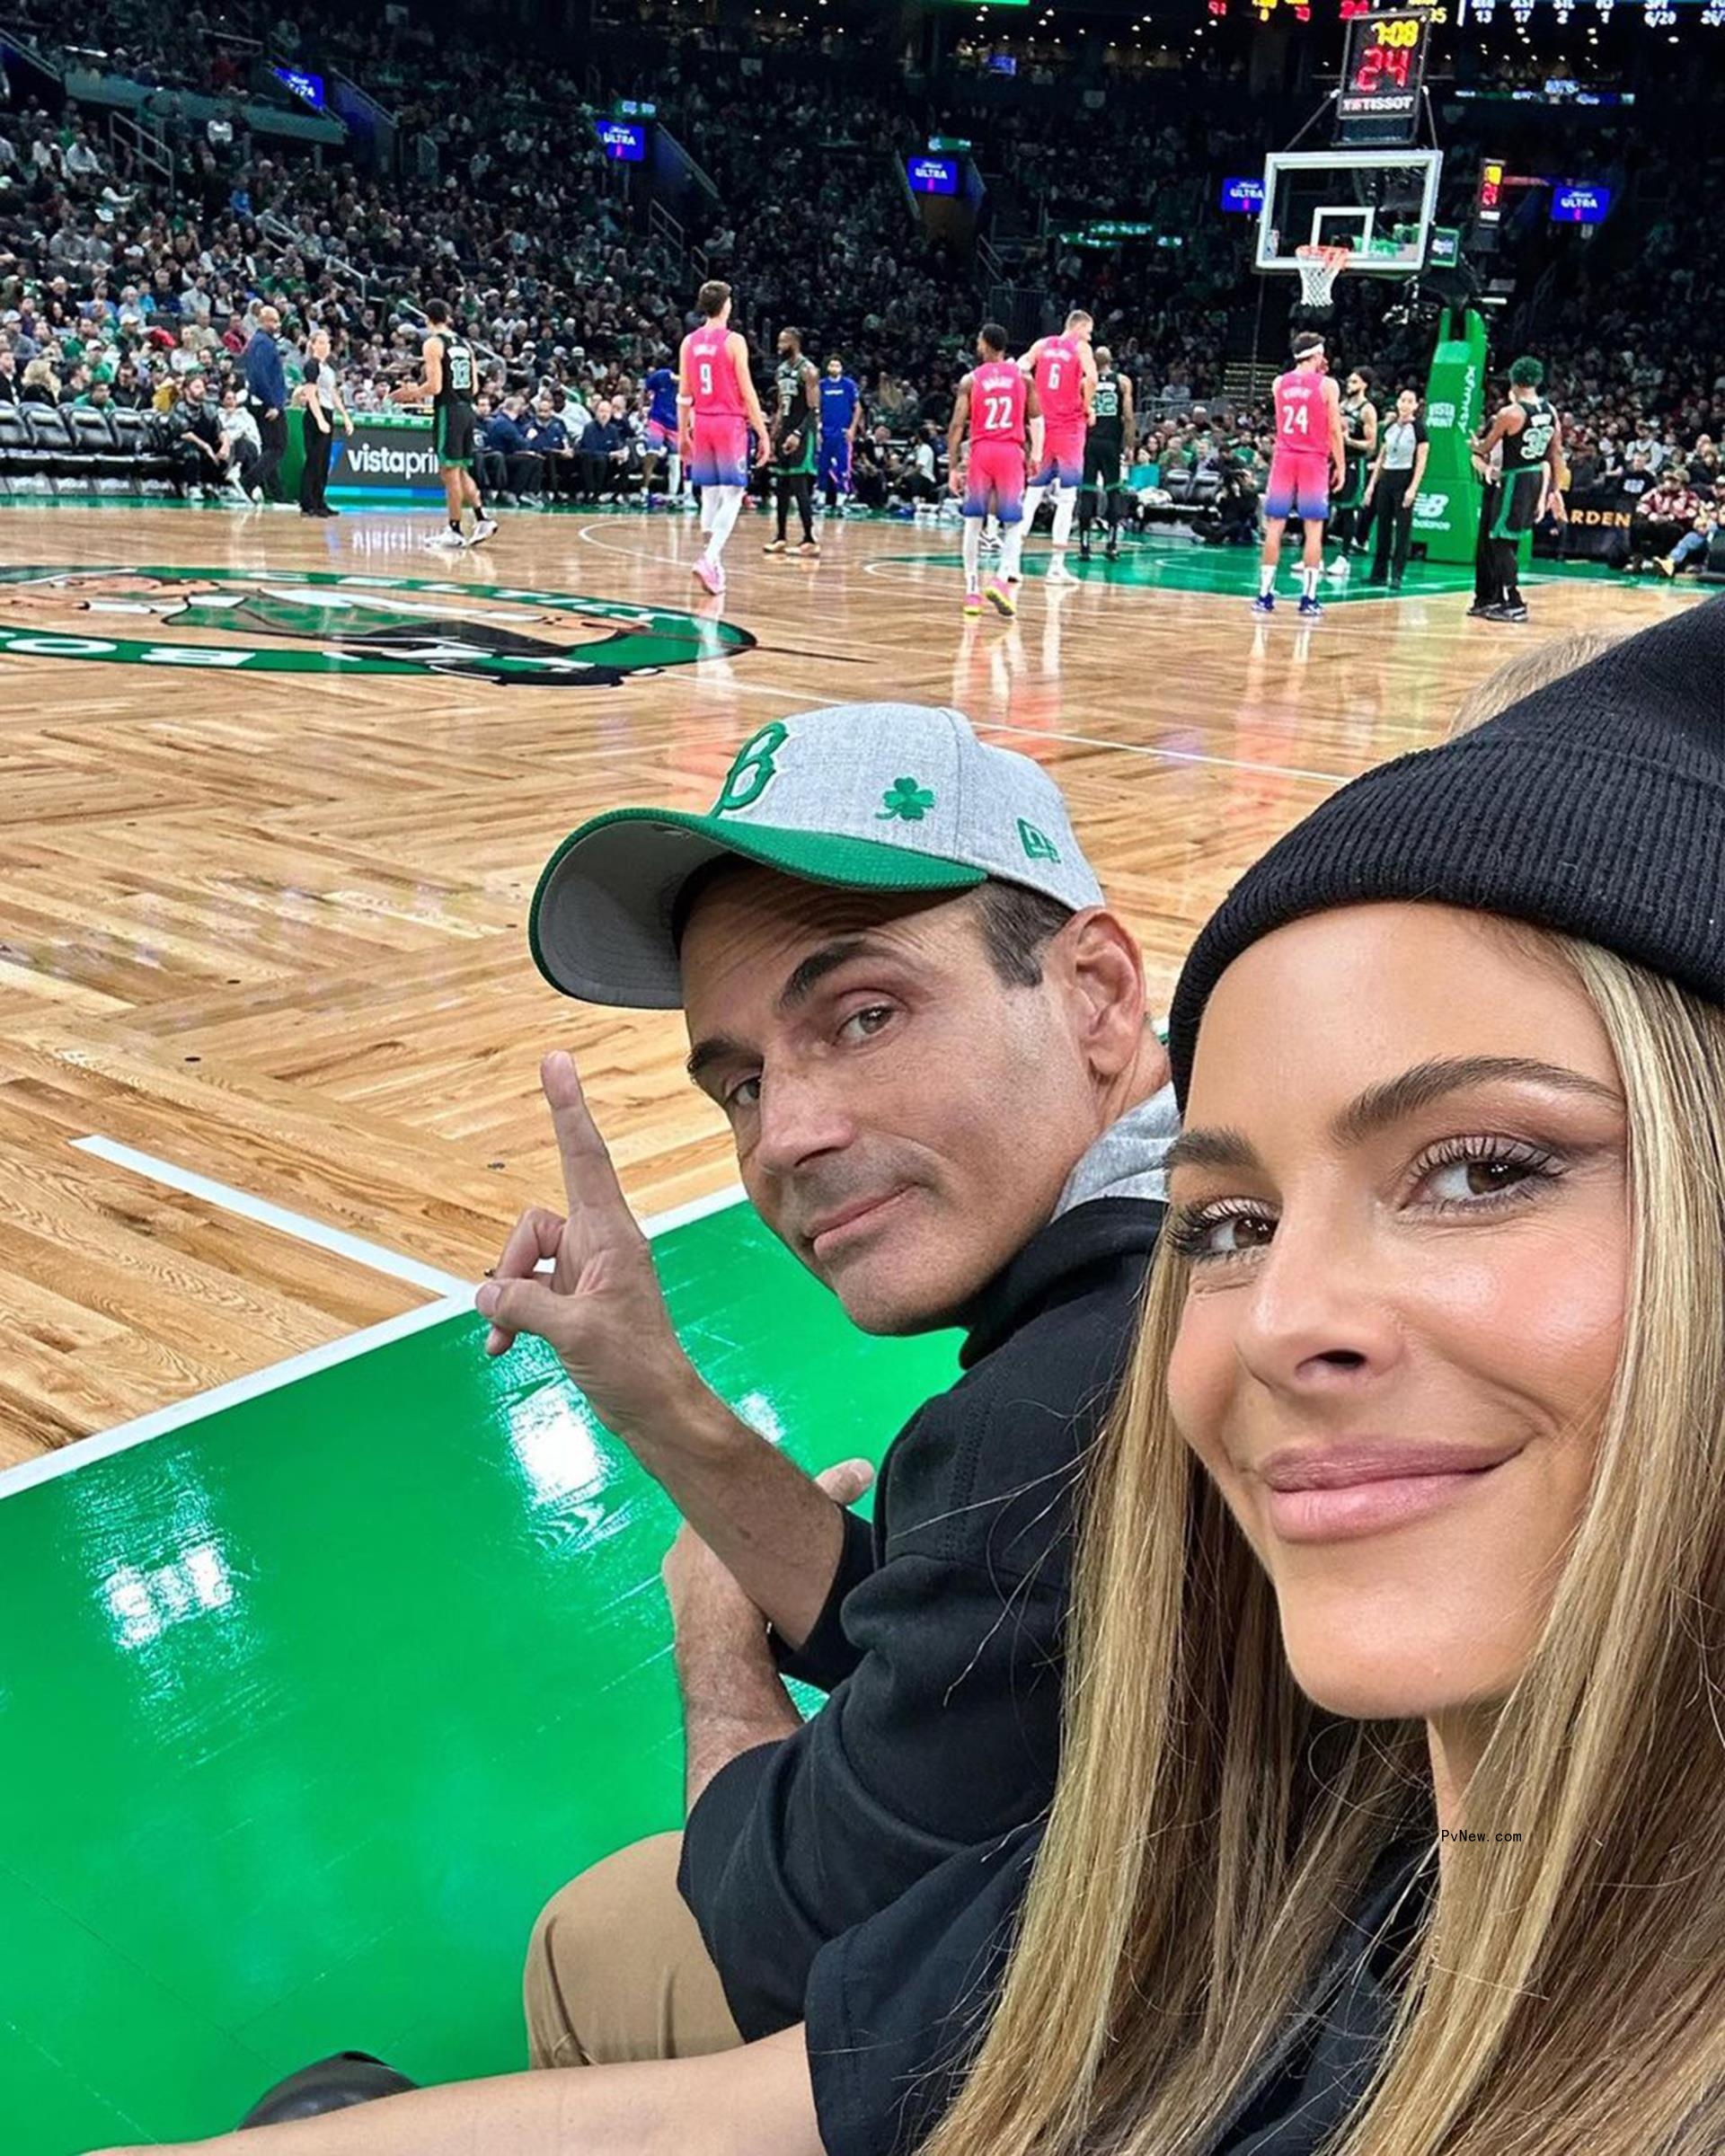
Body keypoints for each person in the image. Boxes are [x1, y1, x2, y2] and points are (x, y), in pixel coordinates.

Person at [100, 702, 1175, 2152]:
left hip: (1118, 2057)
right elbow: (941, 1648)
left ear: (1098, 992)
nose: (787, 1132)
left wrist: (719, 1660)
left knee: (581, 1946)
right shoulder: (1163, 1248)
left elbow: (780, 1934)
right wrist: (646, 1386)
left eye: (861, 1015)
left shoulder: (1070, 1411)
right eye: (741, 1082)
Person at [679, 278, 772, 596]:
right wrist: (762, 431)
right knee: (733, 493)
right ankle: (709, 558)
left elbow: (684, 396)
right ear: (726, 305)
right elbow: (747, 391)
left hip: (701, 422)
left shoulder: (689, 343)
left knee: (710, 494)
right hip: (729, 422)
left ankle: (713, 562)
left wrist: (682, 434)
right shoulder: (734, 341)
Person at [949, 322, 1044, 619]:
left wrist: (953, 466)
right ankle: (1002, 579)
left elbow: (956, 425)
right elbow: (1037, 420)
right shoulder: (1023, 377)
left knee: (973, 522)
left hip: (982, 451)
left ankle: (972, 591)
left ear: (985, 345)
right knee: (1013, 522)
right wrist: (1037, 455)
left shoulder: (971, 380)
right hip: (1009, 452)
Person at [391, 298, 498, 551]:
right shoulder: (465, 344)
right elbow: (474, 386)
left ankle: (454, 529)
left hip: (448, 411)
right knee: (460, 470)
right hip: (466, 410)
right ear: (448, 317)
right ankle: (482, 519)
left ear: (427, 319)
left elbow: (435, 386)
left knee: (449, 473)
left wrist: (409, 393)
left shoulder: (433, 344)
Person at [1253, 330, 1344, 621]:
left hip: (1284, 457)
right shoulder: (1327, 385)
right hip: (1313, 460)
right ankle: (1308, 599)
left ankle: (1264, 595)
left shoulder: (1279, 382)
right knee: (1313, 529)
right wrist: (1340, 465)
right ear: (1316, 355)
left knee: (1274, 526)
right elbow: (1333, 429)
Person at [1468, 355, 1564, 624]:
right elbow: (1555, 452)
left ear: (1513, 380)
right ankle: (1502, 598)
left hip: (1514, 479)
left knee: (1498, 539)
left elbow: (1485, 448)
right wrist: (1554, 491)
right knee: (1507, 540)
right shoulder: (1551, 411)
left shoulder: (1510, 413)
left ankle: (1515, 601)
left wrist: (1472, 444)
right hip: (1535, 476)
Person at [1018, 307, 1097, 584]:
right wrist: (1087, 407)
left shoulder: (1042, 345)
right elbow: (1092, 379)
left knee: (1033, 492)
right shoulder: (1081, 348)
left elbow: (1020, 368)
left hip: (1043, 426)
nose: (1090, 336)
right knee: (1067, 498)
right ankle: (1056, 566)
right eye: (1088, 330)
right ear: (1078, 328)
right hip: (1069, 428)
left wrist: (1029, 400)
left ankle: (1011, 560)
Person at [1363, 385, 1429, 588]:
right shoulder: (1390, 426)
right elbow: (1382, 457)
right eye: (1403, 400)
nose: (1405, 404)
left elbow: (1421, 461)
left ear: (1416, 405)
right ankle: (1378, 573)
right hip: (1387, 479)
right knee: (1382, 527)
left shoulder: (1419, 429)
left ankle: (1397, 574)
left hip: (1404, 478)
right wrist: (1371, 486)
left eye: (1410, 401)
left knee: (1402, 529)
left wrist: (1413, 488)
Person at [765, 325, 819, 556]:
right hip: (785, 430)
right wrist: (772, 436)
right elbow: (779, 408)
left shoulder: (808, 370)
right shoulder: (781, 371)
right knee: (782, 487)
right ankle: (780, 537)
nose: (779, 346)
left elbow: (814, 409)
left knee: (799, 486)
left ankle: (810, 540)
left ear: (795, 343)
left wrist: (797, 434)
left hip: (802, 433)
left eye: (782, 342)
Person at [1078, 343, 1134, 563]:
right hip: (1111, 443)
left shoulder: (1085, 382)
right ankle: (1111, 545)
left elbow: (1078, 413)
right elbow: (1128, 417)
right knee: (1113, 492)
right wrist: (1130, 445)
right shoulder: (1122, 381)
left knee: (1088, 492)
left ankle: (1084, 547)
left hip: (1089, 442)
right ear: (1111, 362)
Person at [1325, 365, 1378, 574]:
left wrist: (1348, 440)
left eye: (1355, 381)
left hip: (1354, 462)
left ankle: (1344, 557)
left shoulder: (1367, 409)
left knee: (1347, 510)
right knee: (1324, 508)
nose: (1350, 384)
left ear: (1364, 384)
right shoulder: (1341, 406)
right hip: (1334, 461)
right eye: (1349, 381)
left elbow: (1371, 445)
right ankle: (1315, 557)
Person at [294, 326, 350, 519]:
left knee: (324, 462)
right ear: (313, 345)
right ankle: (307, 503)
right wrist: (319, 419)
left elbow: (333, 393)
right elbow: (310, 393)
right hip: (315, 415)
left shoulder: (328, 368)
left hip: (327, 413)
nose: (325, 346)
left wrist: (345, 416)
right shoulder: (312, 365)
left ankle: (319, 501)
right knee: (314, 461)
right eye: (320, 342)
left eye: (327, 343)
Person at [242, 303, 288, 501]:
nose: (278, 325)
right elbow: (258, 376)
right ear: (264, 321)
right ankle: (247, 483)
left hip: (267, 402)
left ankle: (277, 494)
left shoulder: (263, 342)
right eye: (274, 321)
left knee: (271, 447)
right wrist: (272, 404)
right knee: (277, 446)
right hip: (267, 404)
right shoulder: (262, 342)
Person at [164, 371, 229, 498]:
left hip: (205, 444)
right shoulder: (179, 408)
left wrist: (225, 445)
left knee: (225, 449)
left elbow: (220, 429)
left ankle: (215, 485)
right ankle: (192, 487)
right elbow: (186, 434)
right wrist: (206, 446)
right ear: (187, 391)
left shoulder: (210, 408)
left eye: (203, 387)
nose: (202, 390)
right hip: (181, 445)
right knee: (192, 450)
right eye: (197, 387)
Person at [817, 355, 862, 516]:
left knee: (843, 467)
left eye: (837, 365)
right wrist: (818, 429)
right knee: (822, 466)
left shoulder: (848, 385)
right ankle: (820, 499)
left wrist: (852, 429)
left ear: (842, 368)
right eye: (832, 365)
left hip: (842, 432)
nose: (834, 368)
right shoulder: (821, 385)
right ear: (827, 368)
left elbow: (857, 408)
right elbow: (817, 409)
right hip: (826, 432)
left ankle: (841, 501)